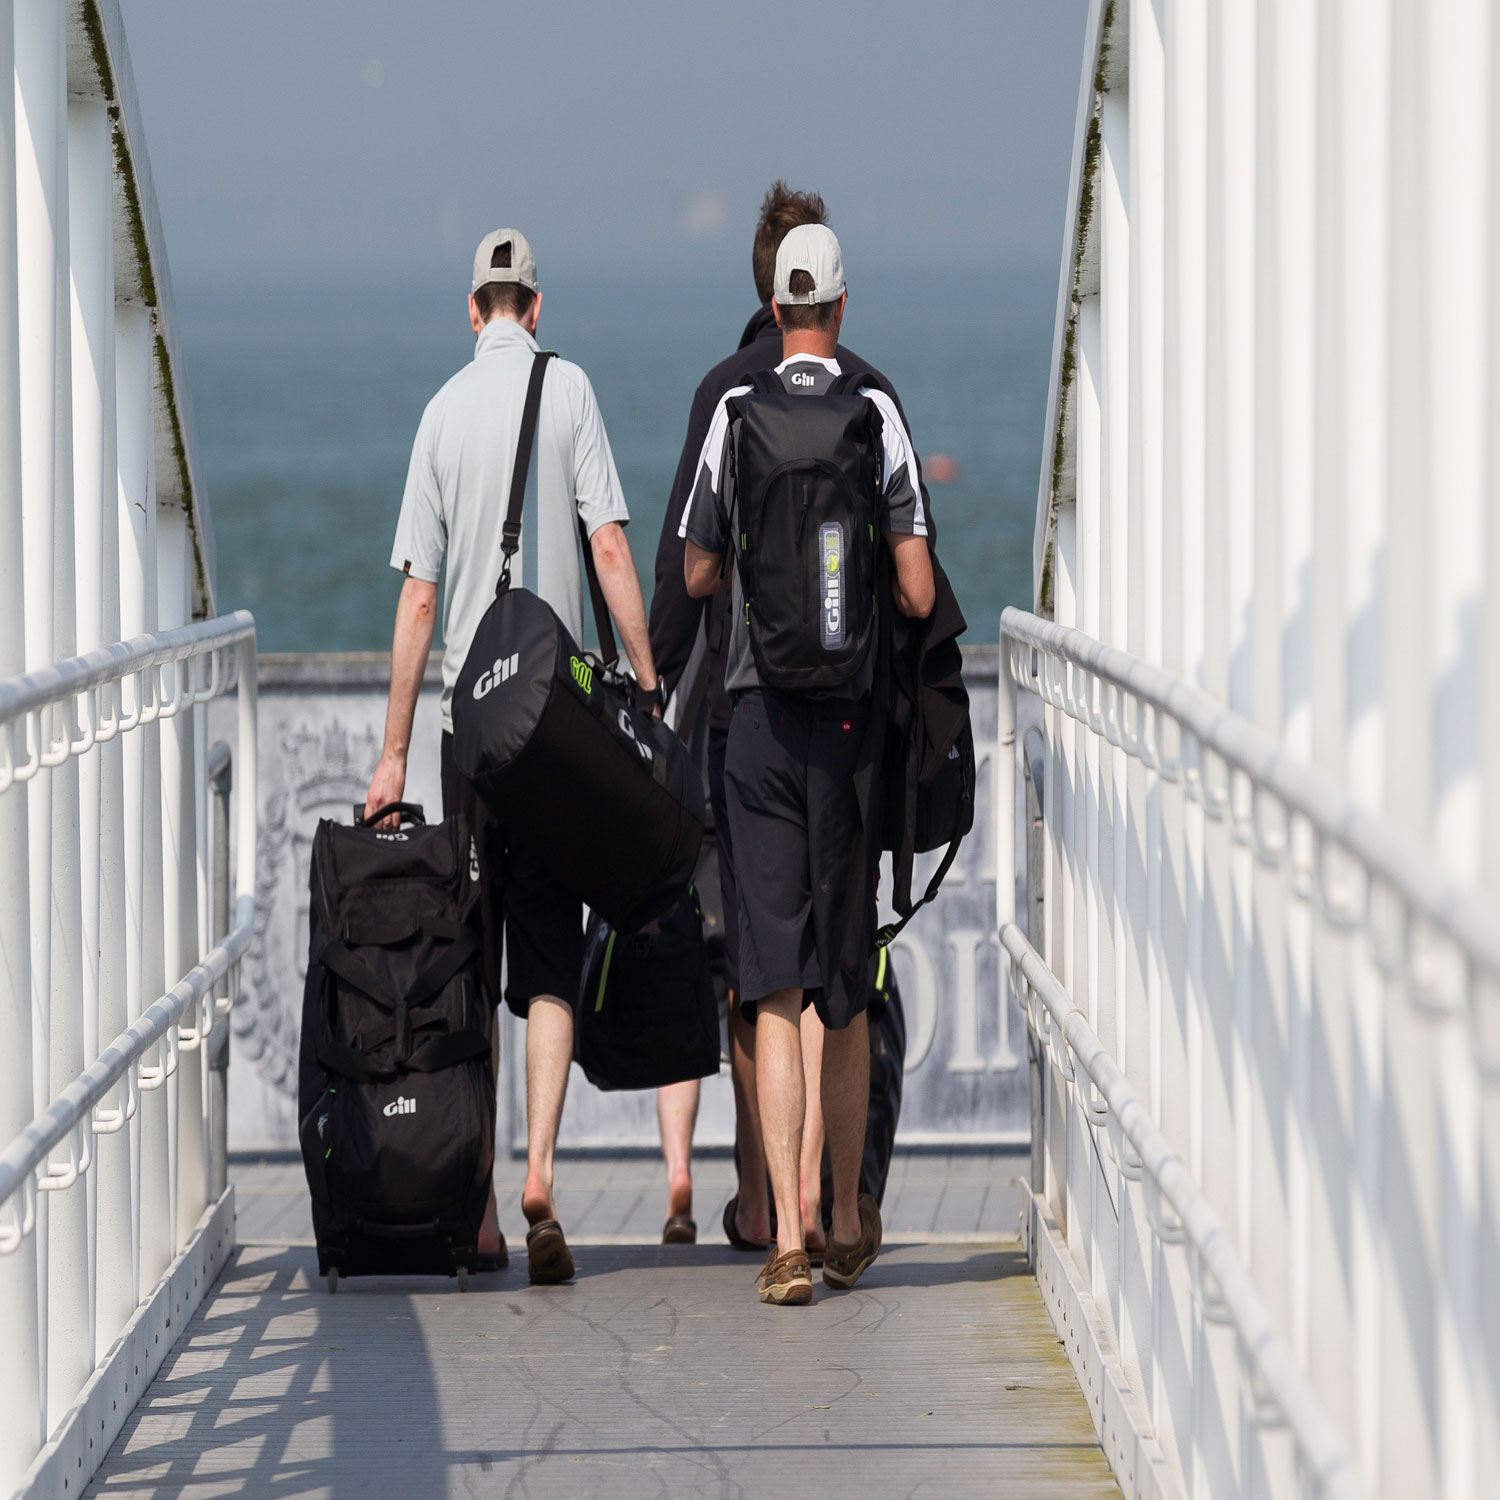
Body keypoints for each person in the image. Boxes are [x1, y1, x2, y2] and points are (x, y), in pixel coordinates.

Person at [364, 228, 660, 1284]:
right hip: (560, 731)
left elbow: (419, 599)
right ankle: (541, 1174)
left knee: (471, 956)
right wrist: (648, 677)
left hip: (471, 740)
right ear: (534, 307)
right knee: (547, 955)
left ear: (472, 310)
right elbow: (609, 544)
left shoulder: (440, 412)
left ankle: (482, 1210)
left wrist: (394, 755)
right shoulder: (568, 390)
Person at [649, 184, 932, 1256]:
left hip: (751, 719)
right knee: (840, 983)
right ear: (842, 304)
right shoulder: (875, 401)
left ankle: (773, 1226)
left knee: (765, 978)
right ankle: (841, 1213)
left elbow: (688, 572)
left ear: (769, 299)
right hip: (849, 733)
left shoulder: (728, 402)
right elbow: (917, 591)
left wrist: (654, 683)